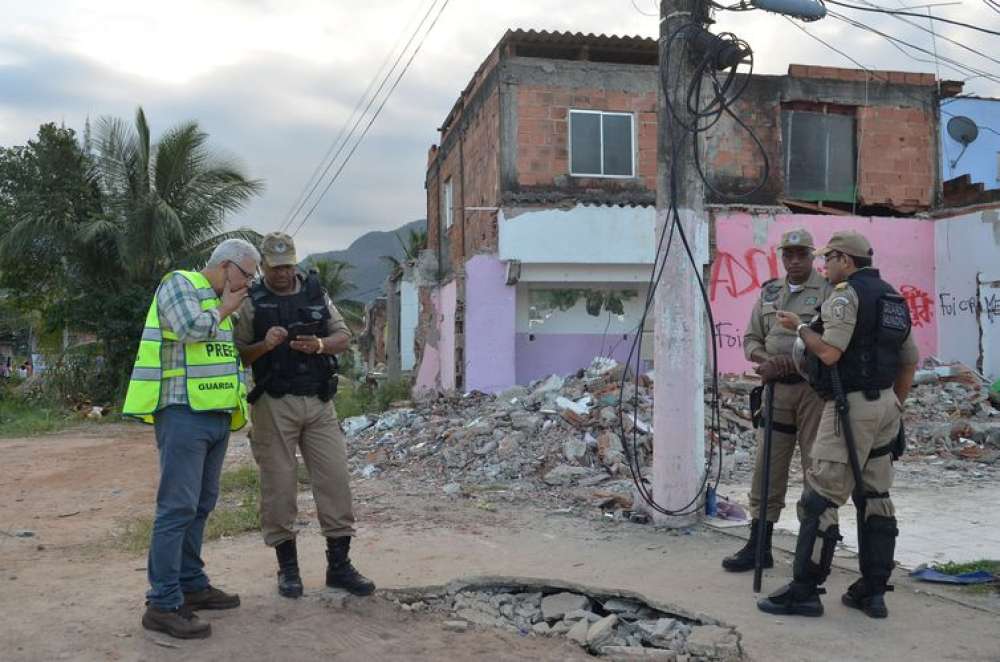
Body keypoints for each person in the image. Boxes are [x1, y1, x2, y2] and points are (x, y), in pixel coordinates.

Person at [757, 230, 918, 619]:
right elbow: (909, 359)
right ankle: (873, 591)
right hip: (885, 407)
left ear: (845, 260)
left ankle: (805, 590)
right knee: (877, 497)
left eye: (828, 258)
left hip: (849, 407)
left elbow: (829, 353)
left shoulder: (846, 295)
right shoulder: (894, 298)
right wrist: (895, 403)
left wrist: (799, 328)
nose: (823, 265)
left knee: (820, 498)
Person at [123, 238, 260, 639]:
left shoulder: (224, 304)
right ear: (227, 266)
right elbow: (189, 329)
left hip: (214, 415)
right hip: (183, 413)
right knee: (176, 508)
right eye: (247, 275)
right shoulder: (180, 284)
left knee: (201, 504)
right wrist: (224, 308)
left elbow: (221, 354)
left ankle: (191, 584)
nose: (248, 284)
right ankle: (163, 604)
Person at [234, 232, 374, 600]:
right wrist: (265, 345)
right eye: (276, 267)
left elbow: (344, 336)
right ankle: (288, 569)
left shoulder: (315, 293)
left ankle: (339, 567)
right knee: (279, 487)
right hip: (273, 404)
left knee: (335, 481)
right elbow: (238, 354)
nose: (283, 273)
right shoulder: (252, 300)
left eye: (288, 265)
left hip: (319, 401)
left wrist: (319, 345)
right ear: (264, 265)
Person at [722, 229, 830, 572]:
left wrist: (798, 359)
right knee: (767, 467)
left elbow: (833, 342)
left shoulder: (829, 292)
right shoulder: (770, 292)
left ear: (812, 256)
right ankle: (759, 546)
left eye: (801, 254)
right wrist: (764, 360)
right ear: (782, 257)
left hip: (813, 391)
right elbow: (752, 339)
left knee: (817, 467)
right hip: (776, 390)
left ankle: (812, 553)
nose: (794, 260)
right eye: (788, 254)